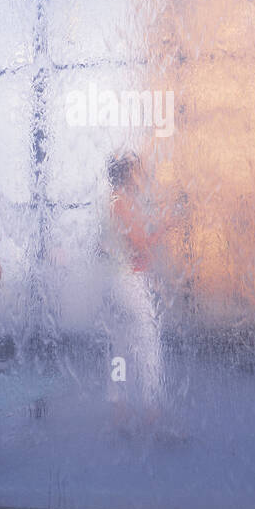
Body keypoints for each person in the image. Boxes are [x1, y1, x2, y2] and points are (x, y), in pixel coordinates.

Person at [103, 151, 165, 429]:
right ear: (126, 175)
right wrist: (166, 227)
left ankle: (118, 409)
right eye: (136, 171)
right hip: (128, 281)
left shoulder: (113, 203)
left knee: (121, 345)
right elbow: (139, 244)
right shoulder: (120, 204)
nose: (141, 176)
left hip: (116, 281)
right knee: (148, 343)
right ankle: (152, 411)